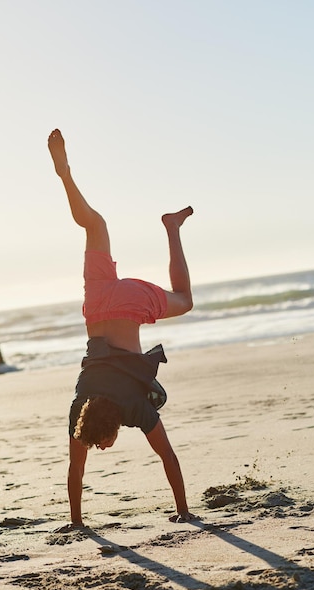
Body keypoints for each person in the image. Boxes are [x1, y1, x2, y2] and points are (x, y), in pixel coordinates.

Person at [48, 129, 197, 527]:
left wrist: (184, 511)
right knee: (95, 225)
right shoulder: (80, 405)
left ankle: (172, 229)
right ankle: (65, 175)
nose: (101, 447)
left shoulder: (134, 406)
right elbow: (75, 473)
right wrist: (75, 521)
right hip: (97, 302)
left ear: (114, 427)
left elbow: (168, 457)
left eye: (99, 443)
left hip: (130, 304)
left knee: (184, 300)